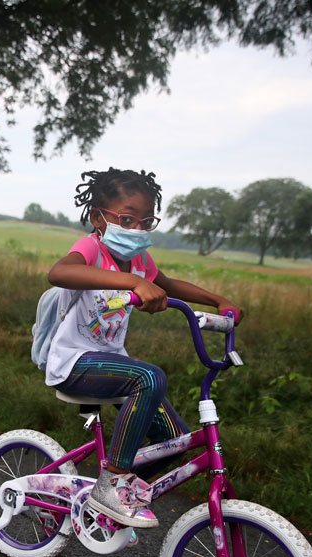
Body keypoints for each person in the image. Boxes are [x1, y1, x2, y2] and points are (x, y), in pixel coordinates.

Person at [45, 168, 242, 529]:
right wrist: (132, 282)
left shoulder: (140, 262)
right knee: (149, 378)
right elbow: (60, 273)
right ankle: (112, 483)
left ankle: (111, 494)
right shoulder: (93, 248)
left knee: (173, 440)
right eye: (126, 219)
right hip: (75, 363)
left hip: (111, 365)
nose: (136, 228)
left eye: (145, 221)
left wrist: (218, 300)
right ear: (97, 218)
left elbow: (168, 284)